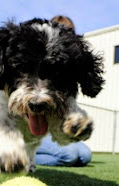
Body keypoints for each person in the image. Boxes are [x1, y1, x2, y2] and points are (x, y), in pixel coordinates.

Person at [35, 15, 92, 168]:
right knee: (69, 156)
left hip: (57, 129)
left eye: (70, 32)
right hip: (39, 130)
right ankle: (29, 155)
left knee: (85, 156)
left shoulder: (70, 68)